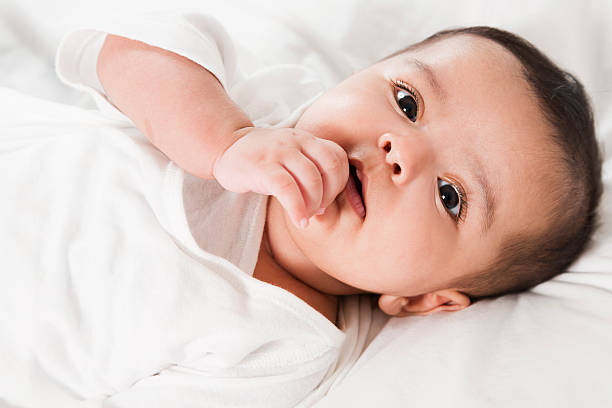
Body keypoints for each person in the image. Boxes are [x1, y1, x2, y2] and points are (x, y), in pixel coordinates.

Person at [0, 10, 601, 408]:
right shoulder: (262, 107)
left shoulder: (281, 353)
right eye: (407, 101)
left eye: (451, 196)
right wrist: (225, 138)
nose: (402, 151)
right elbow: (122, 47)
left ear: (424, 300)